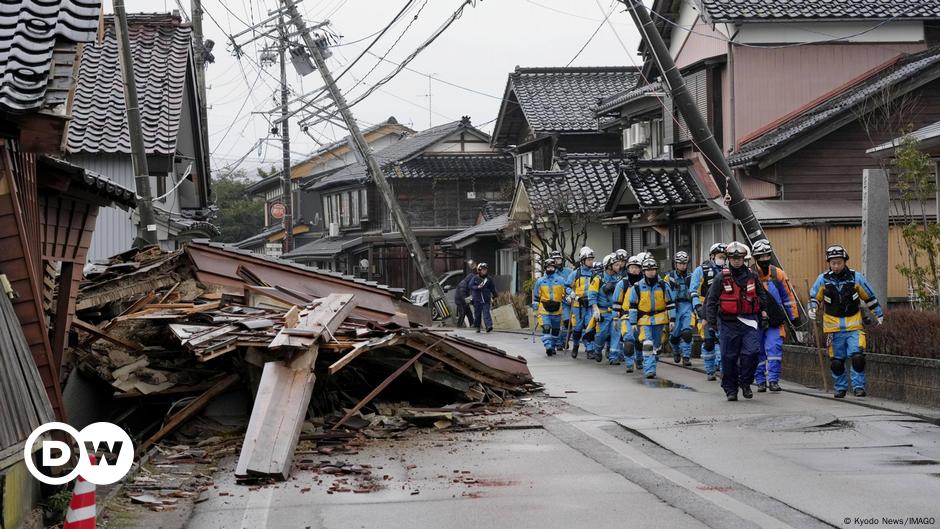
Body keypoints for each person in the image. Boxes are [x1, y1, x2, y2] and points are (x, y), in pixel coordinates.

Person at [808, 245, 884, 398]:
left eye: (839, 262)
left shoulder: (856, 278)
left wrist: (878, 313)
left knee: (857, 357)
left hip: (854, 325)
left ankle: (858, 387)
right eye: (833, 263)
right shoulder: (823, 279)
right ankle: (840, 387)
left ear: (845, 262)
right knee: (837, 361)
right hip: (832, 328)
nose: (836, 266)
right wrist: (812, 308)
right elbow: (814, 297)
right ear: (829, 263)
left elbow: (869, 296)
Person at [705, 241, 771, 401]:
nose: (736, 261)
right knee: (729, 357)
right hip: (728, 323)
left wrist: (763, 311)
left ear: (744, 259)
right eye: (733, 258)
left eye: (739, 258)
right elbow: (711, 301)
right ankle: (730, 390)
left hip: (749, 321)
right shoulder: (721, 277)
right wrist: (712, 324)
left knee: (752, 353)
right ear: (728, 259)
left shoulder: (752, 276)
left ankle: (746, 383)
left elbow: (762, 296)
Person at [750, 239, 801, 393]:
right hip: (756, 321)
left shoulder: (778, 274)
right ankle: (760, 381)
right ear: (755, 257)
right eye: (761, 256)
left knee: (774, 350)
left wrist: (794, 318)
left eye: (767, 255)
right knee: (757, 351)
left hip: (775, 320)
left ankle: (773, 380)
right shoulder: (750, 274)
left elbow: (788, 297)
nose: (765, 259)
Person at [628, 257, 676, 379]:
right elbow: (633, 306)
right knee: (647, 344)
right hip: (643, 319)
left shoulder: (663, 285)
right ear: (643, 272)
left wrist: (672, 319)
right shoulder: (637, 287)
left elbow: (670, 303)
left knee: (656, 346)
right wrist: (633, 322)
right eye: (648, 270)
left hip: (660, 319)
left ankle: (651, 363)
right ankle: (649, 370)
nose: (650, 272)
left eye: (653, 270)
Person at [692, 243, 727, 381]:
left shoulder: (728, 271)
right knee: (709, 341)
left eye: (725, 257)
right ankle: (710, 370)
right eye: (720, 256)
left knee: (723, 341)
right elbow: (693, 290)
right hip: (706, 309)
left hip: (724, 310)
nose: (722, 259)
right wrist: (698, 308)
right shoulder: (701, 270)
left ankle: (724, 370)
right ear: (712, 256)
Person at [589, 254, 622, 364]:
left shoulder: (619, 278)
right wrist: (595, 309)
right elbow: (592, 294)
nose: (619, 266)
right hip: (602, 311)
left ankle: (613, 357)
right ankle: (597, 350)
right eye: (616, 265)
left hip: (616, 311)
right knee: (602, 334)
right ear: (608, 266)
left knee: (616, 333)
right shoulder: (598, 279)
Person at [613, 255, 643, 372]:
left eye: (637, 267)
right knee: (629, 340)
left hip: (641, 317)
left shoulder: (644, 283)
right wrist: (615, 318)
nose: (634, 270)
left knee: (640, 340)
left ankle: (639, 359)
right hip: (626, 316)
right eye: (632, 267)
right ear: (628, 269)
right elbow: (616, 302)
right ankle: (629, 363)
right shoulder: (622, 284)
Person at [566, 247, 597, 359]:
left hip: (590, 304)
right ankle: (575, 346)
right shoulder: (575, 273)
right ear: (583, 260)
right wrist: (574, 295)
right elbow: (567, 287)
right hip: (578, 305)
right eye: (589, 260)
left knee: (589, 327)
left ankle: (590, 349)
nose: (591, 262)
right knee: (578, 328)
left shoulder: (595, 273)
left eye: (591, 259)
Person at [664, 251, 694, 367]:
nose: (682, 265)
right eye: (679, 263)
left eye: (684, 263)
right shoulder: (669, 277)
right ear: (675, 264)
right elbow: (666, 294)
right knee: (675, 335)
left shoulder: (691, 276)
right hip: (674, 307)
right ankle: (676, 350)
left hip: (687, 305)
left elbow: (695, 290)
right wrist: (674, 291)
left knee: (687, 332)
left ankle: (686, 357)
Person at [532, 258, 567, 356]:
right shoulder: (540, 281)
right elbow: (536, 297)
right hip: (544, 309)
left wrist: (569, 297)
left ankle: (552, 346)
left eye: (552, 267)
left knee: (556, 331)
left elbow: (565, 293)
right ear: (545, 268)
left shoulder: (561, 280)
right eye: (548, 267)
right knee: (546, 328)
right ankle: (548, 346)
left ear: (555, 268)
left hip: (557, 310)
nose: (550, 269)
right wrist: (535, 310)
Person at [552, 250, 574, 351]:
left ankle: (564, 341)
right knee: (561, 323)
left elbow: (573, 284)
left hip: (570, 300)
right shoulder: (550, 274)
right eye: (555, 259)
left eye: (559, 259)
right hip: (557, 301)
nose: (558, 261)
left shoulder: (569, 271)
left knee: (569, 322)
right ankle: (559, 342)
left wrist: (572, 294)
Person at [469, 262, 497, 333]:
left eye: (485, 270)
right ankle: (477, 327)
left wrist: (495, 295)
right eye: (483, 270)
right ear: (479, 270)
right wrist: (477, 287)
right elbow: (470, 286)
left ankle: (488, 326)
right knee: (477, 314)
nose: (484, 271)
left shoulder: (488, 279)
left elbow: (492, 288)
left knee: (486, 313)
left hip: (486, 299)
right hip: (477, 299)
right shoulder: (475, 278)